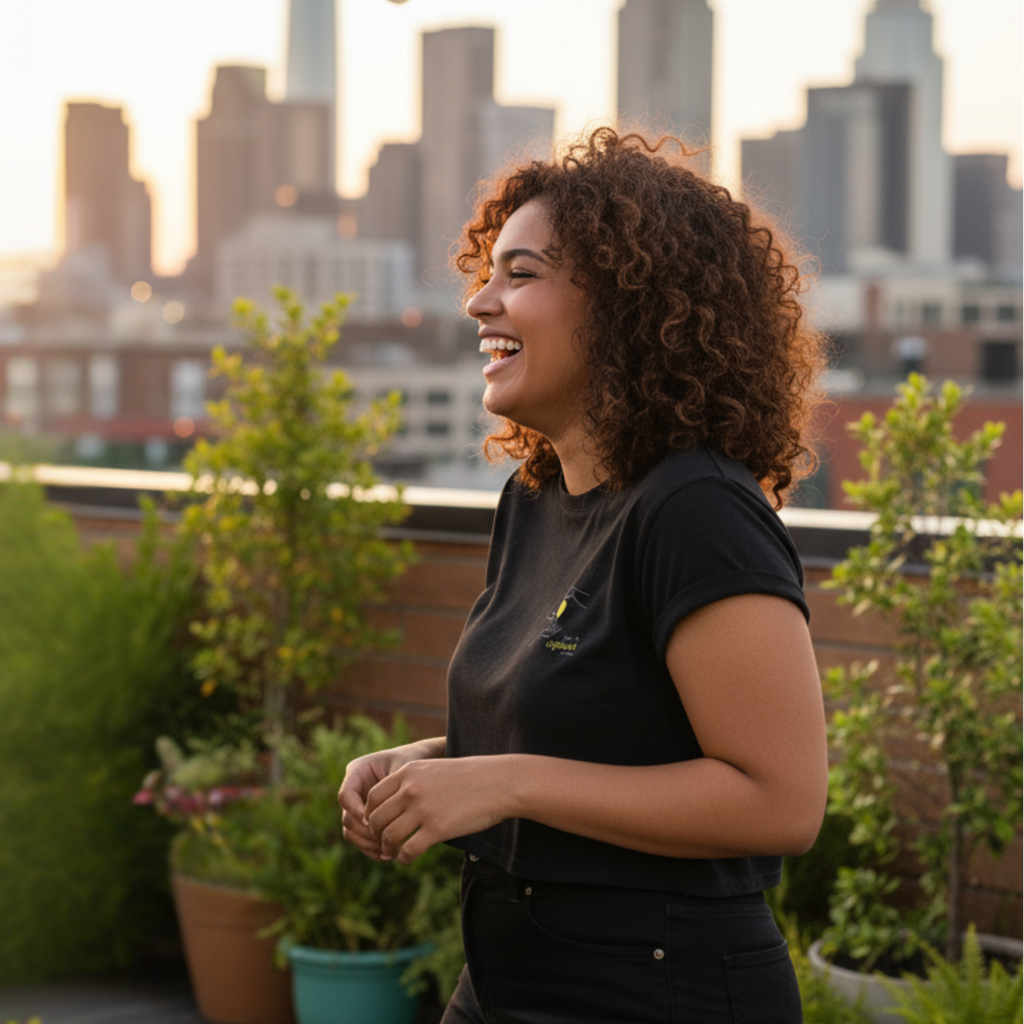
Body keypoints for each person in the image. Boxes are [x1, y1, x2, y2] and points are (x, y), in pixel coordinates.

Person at [339, 128, 829, 1024]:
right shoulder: (533, 500)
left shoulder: (697, 510)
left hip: (659, 989)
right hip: (504, 977)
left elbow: (782, 800)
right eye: (486, 274)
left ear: (627, 306)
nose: (480, 303)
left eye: (520, 275)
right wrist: (430, 770)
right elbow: (599, 735)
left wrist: (505, 782)